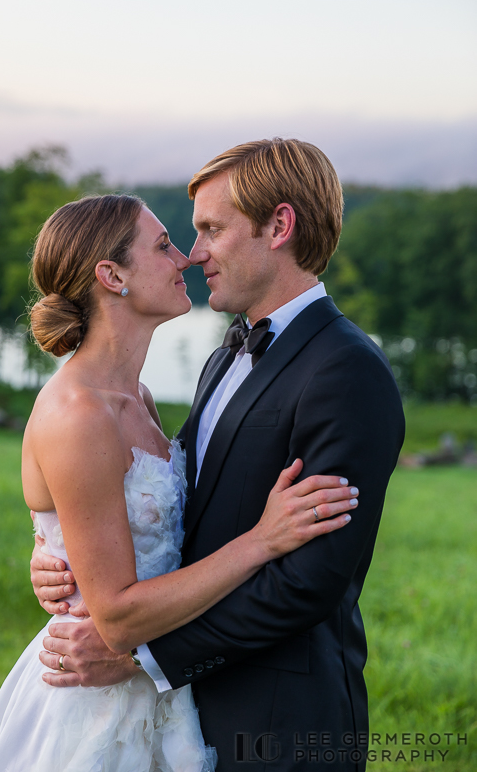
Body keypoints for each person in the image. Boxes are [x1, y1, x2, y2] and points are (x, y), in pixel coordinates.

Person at [32, 139, 405, 771]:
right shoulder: (224, 355)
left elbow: (308, 583)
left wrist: (139, 657)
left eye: (210, 230)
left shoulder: (347, 371)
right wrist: (60, 555)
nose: (194, 251)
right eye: (186, 235)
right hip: (188, 711)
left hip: (280, 721)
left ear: (279, 227)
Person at [0, 192, 358, 772]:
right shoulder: (79, 414)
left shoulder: (140, 399)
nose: (185, 258)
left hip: (165, 696)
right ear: (112, 276)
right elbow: (117, 616)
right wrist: (262, 541)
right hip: (94, 704)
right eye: (163, 246)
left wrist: (55, 548)